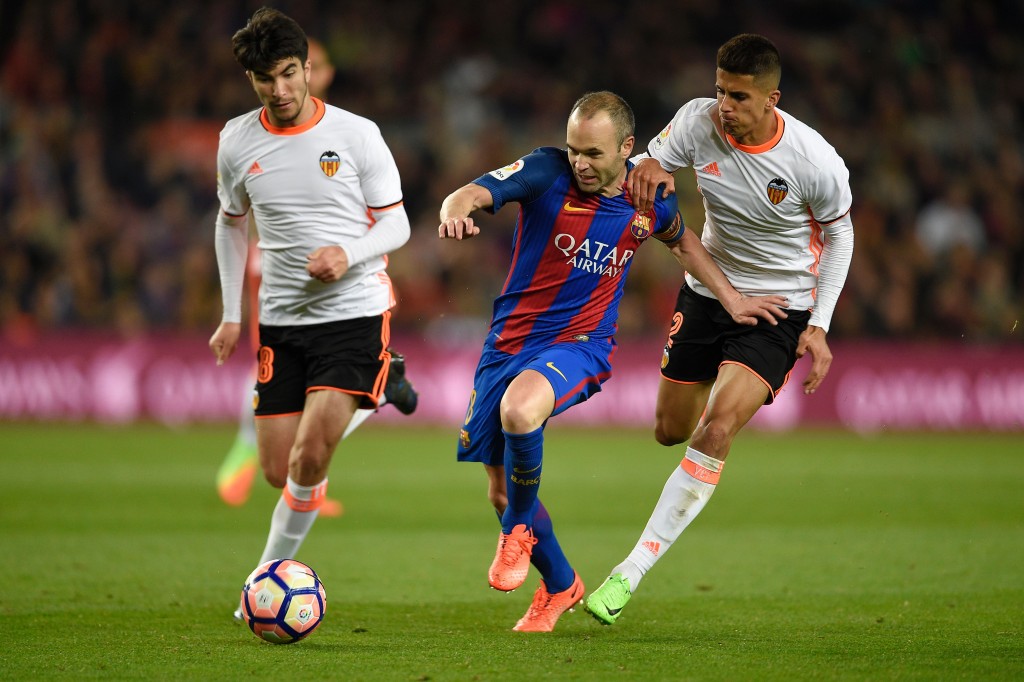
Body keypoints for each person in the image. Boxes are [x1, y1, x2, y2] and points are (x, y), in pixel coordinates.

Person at [438, 91, 787, 632]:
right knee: (502, 491)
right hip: (506, 344)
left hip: (580, 344)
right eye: (575, 149)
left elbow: (685, 245)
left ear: (626, 148)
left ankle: (518, 533)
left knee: (519, 411)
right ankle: (560, 586)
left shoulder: (648, 199)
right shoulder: (542, 169)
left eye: (593, 154)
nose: (579, 162)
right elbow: (472, 192)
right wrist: (455, 211)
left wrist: (734, 298)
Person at [583, 34, 855, 625]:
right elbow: (649, 164)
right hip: (708, 294)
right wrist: (648, 169)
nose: (724, 105)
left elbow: (841, 238)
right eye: (719, 91)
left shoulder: (815, 162)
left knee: (715, 429)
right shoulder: (696, 121)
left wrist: (821, 325)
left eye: (738, 96)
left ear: (771, 98)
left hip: (779, 310)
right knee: (668, 430)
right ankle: (706, 421)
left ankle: (628, 574)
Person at [207, 8, 412, 618]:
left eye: (290, 74)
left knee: (308, 459)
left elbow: (397, 221)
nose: (281, 90)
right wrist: (230, 315)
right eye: (266, 79)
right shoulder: (236, 140)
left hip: (354, 313)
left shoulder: (356, 134)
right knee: (277, 470)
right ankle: (384, 385)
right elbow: (229, 222)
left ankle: (259, 588)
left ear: (307, 69)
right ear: (251, 79)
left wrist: (348, 253)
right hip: (282, 320)